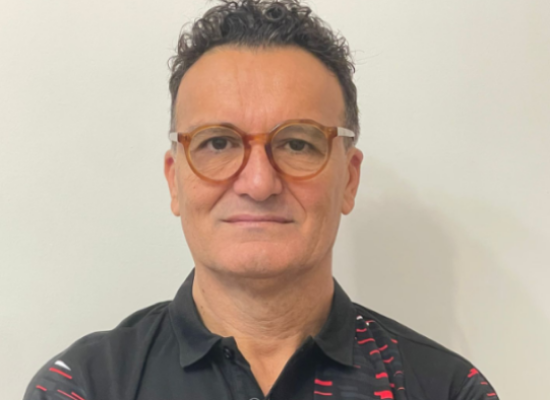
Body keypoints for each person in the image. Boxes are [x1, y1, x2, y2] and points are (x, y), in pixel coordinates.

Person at [23, 1, 499, 399]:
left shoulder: (447, 389)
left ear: (349, 180)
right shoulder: (85, 386)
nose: (258, 183)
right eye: (217, 143)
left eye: (297, 144)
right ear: (174, 181)